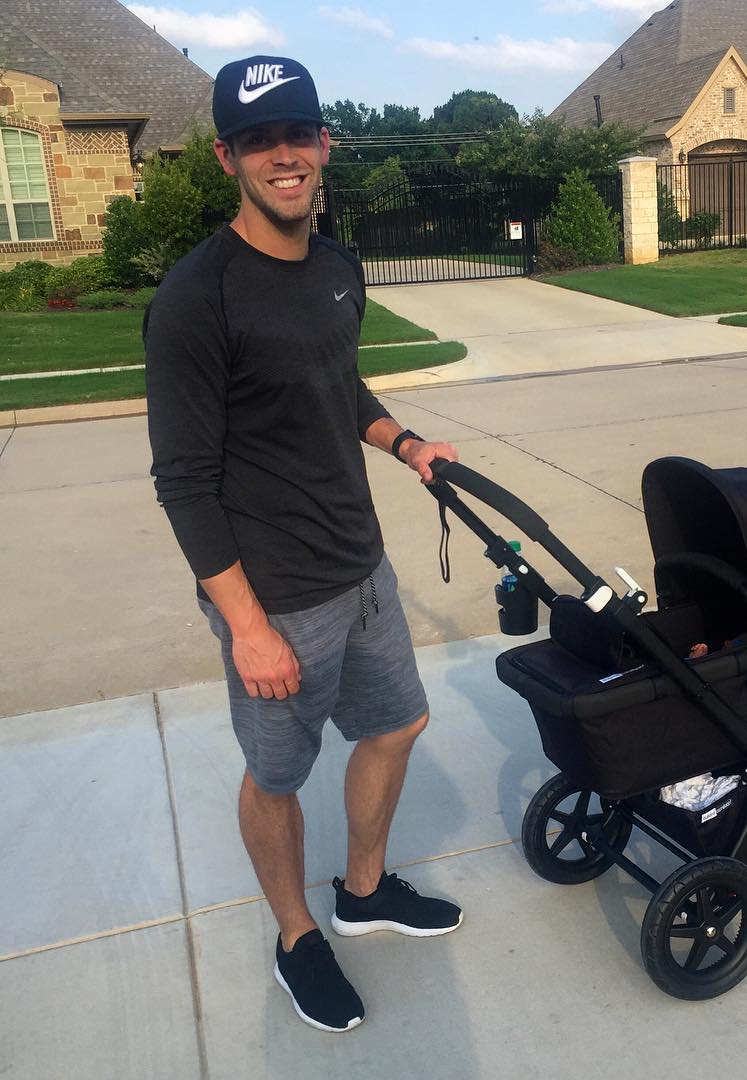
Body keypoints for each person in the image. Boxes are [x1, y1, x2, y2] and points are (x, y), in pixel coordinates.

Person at [144, 55, 461, 1034]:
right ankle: (296, 937)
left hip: (362, 568)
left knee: (398, 724)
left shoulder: (337, 265)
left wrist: (404, 442)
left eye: (297, 134)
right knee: (277, 778)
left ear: (324, 144)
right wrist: (246, 627)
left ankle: (362, 894)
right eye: (256, 140)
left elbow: (338, 384)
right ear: (225, 156)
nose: (282, 155)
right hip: (274, 598)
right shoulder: (199, 298)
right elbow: (185, 481)